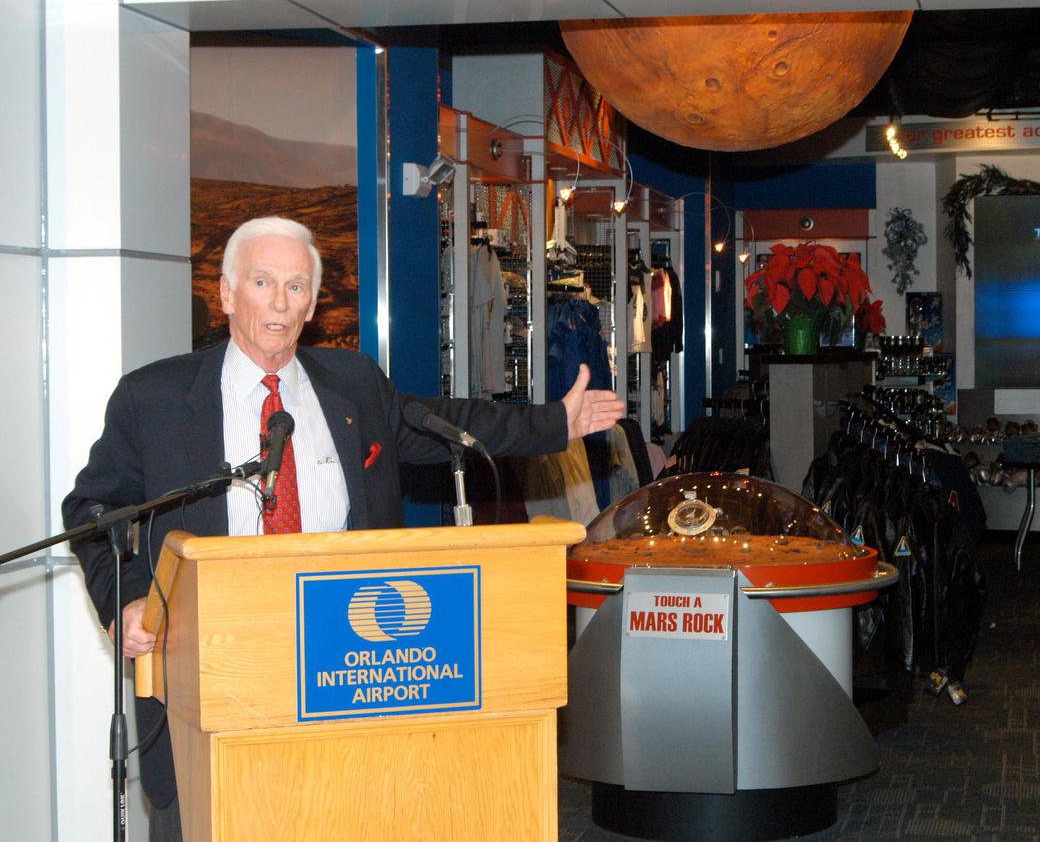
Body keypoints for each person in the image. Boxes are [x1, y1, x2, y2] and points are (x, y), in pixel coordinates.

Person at [61, 216, 624, 841]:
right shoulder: (154, 399)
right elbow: (92, 511)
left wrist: (555, 423)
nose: (280, 303)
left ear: (312, 305)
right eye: (262, 282)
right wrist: (125, 600)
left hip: (348, 675)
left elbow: (447, 423)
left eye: (296, 287)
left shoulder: (353, 384)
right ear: (226, 294)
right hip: (211, 680)